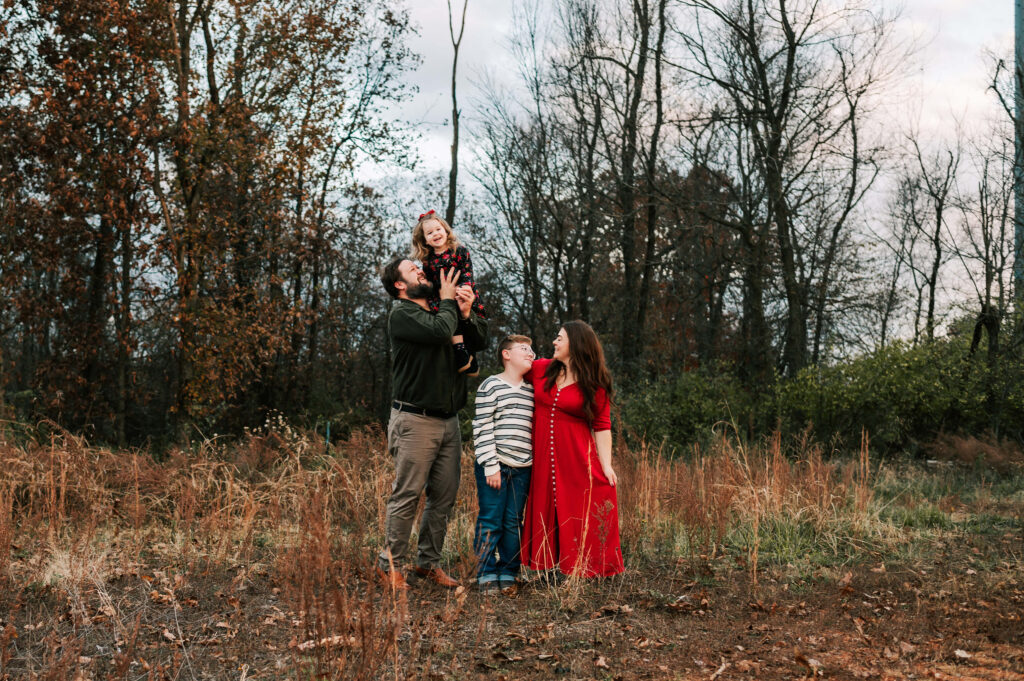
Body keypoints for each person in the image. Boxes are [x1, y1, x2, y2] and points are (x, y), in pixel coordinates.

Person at [376, 255, 487, 591]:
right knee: (407, 494)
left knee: (444, 495)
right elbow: (441, 332)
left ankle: (427, 564)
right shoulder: (403, 313)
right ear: (399, 285)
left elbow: (479, 341)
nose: (422, 271)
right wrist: (451, 302)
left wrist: (466, 314)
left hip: (448, 420)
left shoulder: (442, 310)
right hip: (414, 419)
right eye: (413, 270)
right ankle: (389, 566)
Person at [521, 320, 624, 579]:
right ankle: (550, 565)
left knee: (581, 505)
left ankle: (588, 566)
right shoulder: (542, 369)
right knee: (547, 503)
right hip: (544, 455)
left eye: (560, 338)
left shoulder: (594, 383)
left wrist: (606, 465)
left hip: (577, 456)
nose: (554, 342)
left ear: (576, 344)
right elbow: (513, 369)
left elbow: (602, 425)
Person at [471, 335, 535, 594]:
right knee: (490, 519)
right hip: (496, 465)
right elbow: (482, 426)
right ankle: (485, 571)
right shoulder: (491, 385)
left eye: (532, 350)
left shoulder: (532, 389)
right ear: (506, 355)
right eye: (523, 349)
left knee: (512, 520)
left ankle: (508, 569)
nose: (530, 353)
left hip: (522, 467)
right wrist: (491, 465)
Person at [411, 210, 486, 375]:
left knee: (466, 316)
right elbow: (430, 282)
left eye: (438, 229)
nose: (435, 234)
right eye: (430, 233)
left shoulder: (459, 251)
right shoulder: (427, 261)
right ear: (425, 240)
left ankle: (470, 355)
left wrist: (464, 288)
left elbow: (467, 272)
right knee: (447, 316)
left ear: (445, 230)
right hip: (441, 296)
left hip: (461, 292)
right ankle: (460, 351)